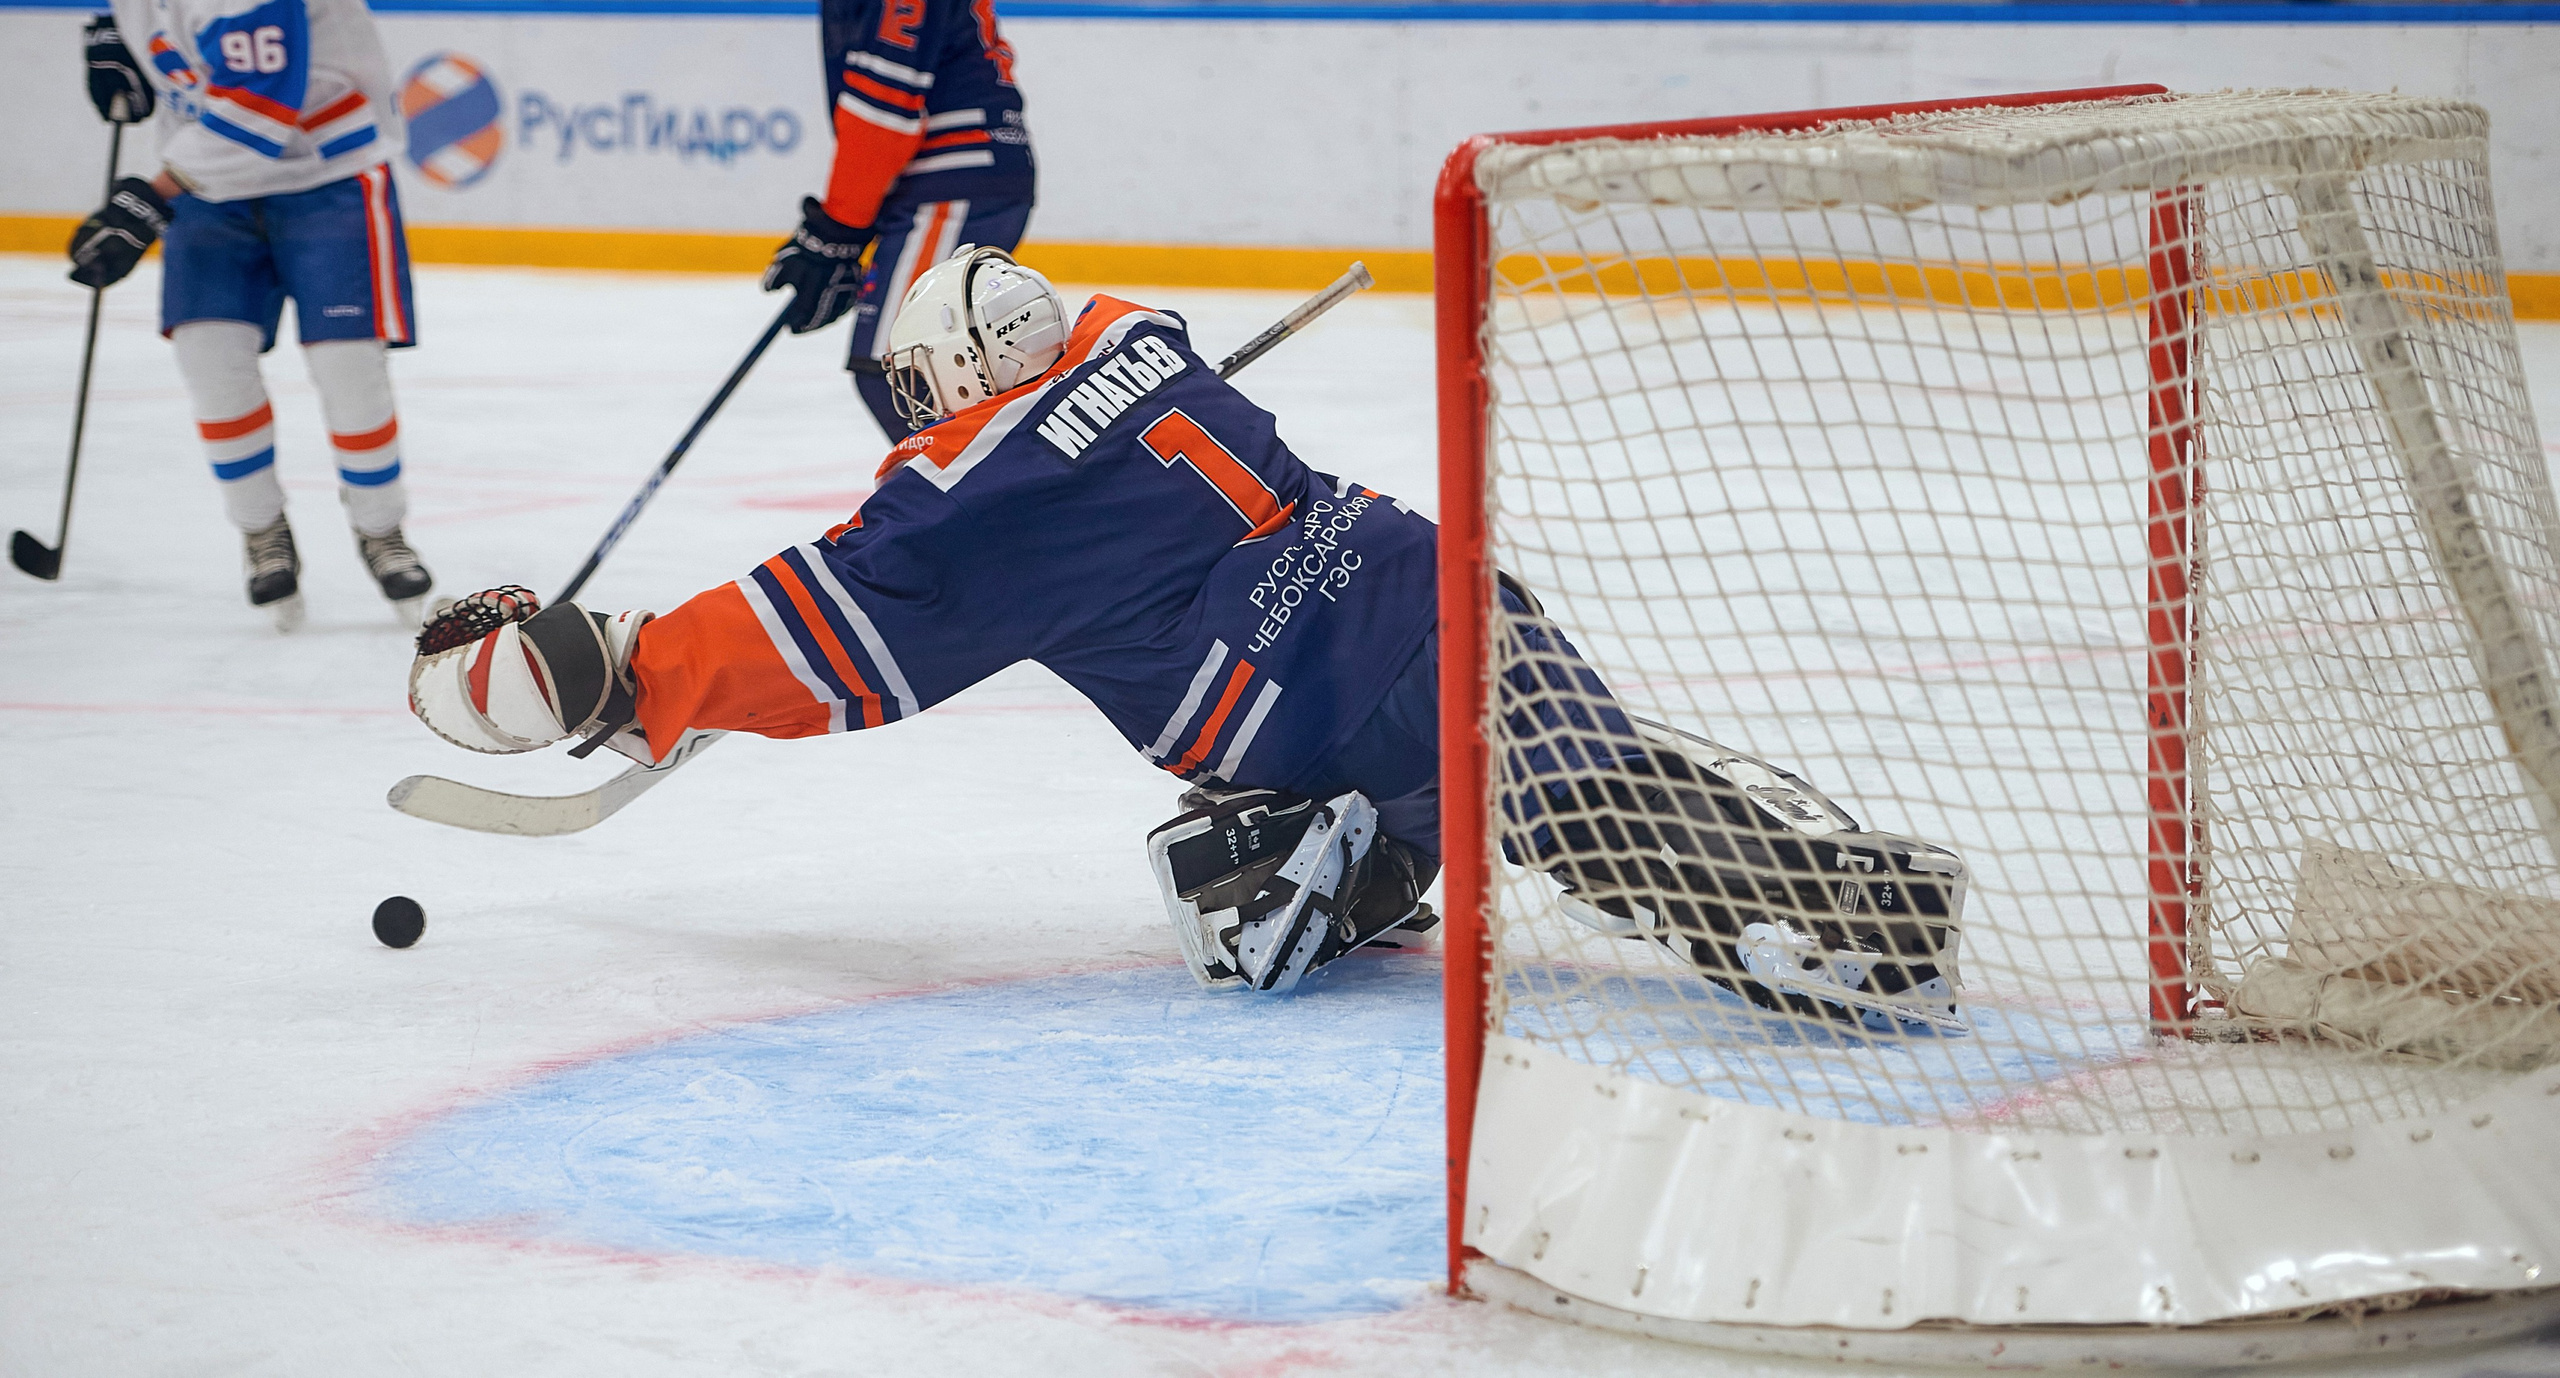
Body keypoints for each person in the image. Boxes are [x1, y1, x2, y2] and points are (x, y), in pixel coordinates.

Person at [406, 253, 1969, 1015]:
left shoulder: (975, 501)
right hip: (1443, 592)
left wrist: (607, 670)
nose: (917, 413)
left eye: (923, 382)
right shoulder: (1134, 344)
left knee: (1489, 820)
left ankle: (1842, 924)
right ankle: (1836, 897)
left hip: (1330, 708)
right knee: (1534, 793)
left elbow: (823, 631)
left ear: (960, 365)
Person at [71, 0, 432, 630]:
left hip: (326, 175)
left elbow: (257, 118)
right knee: (211, 362)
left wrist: (140, 200)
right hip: (212, 186)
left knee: (349, 371)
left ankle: (382, 534)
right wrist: (117, 42)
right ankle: (263, 533)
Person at [758, 0, 1037, 446]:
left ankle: (1001, 528)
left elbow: (883, 114)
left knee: (899, 371)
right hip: (954, 179)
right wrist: (847, 231)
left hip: (955, 181)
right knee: (939, 376)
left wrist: (837, 229)